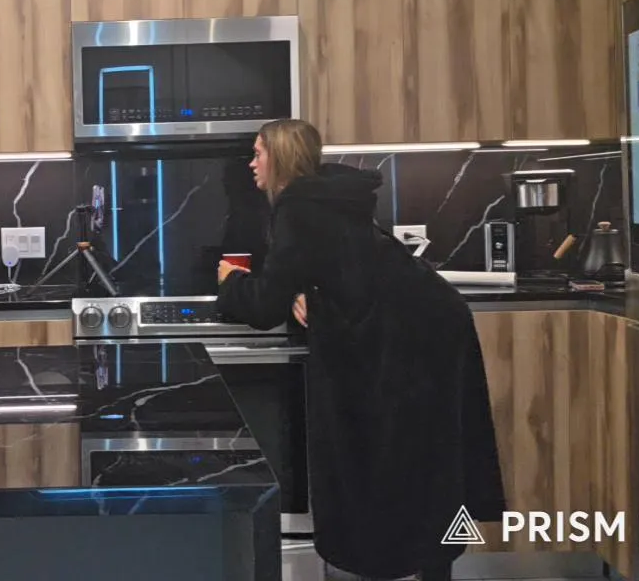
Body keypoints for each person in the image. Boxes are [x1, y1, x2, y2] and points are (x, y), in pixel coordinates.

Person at [215, 119, 506, 581]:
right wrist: (305, 291)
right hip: (431, 323)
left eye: (258, 153)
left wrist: (231, 282)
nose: (252, 164)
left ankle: (386, 563)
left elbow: (264, 304)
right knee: (427, 455)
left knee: (388, 456)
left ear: (281, 157)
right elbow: (336, 266)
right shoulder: (327, 199)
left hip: (411, 334)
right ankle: (424, 563)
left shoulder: (299, 208)